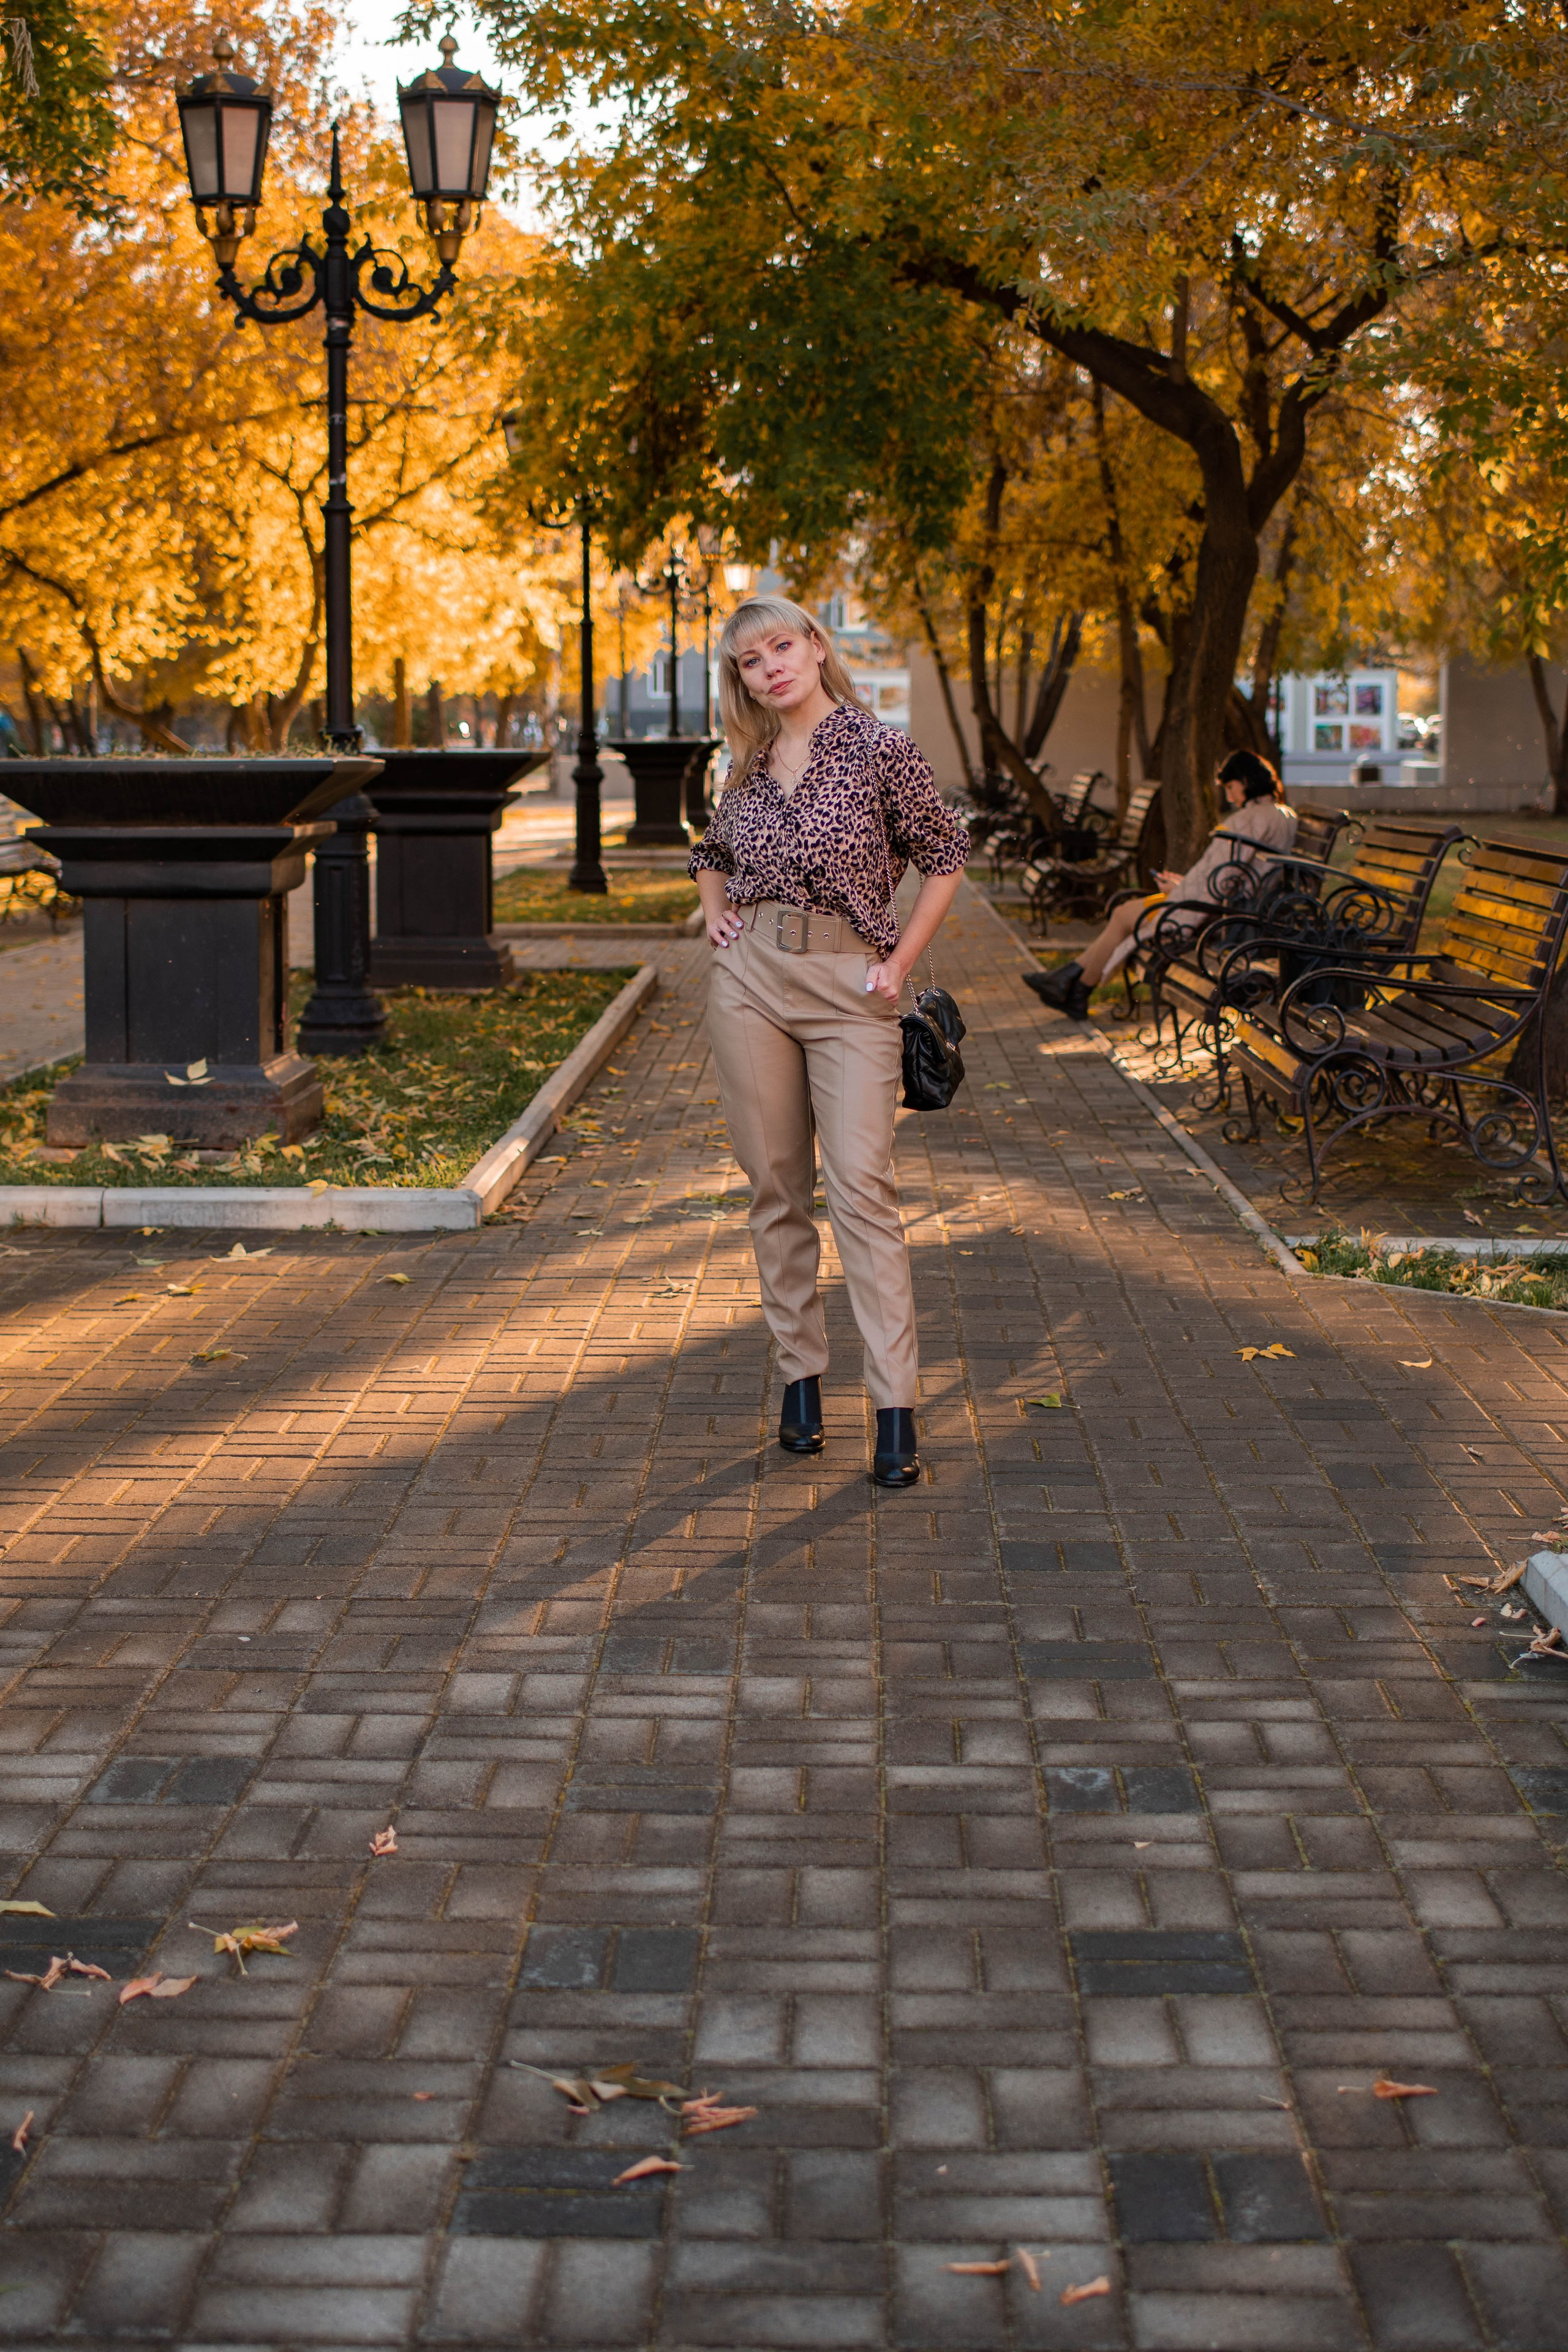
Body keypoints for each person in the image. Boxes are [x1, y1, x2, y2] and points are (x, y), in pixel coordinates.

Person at [690, 595, 970, 1487]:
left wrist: (901, 963)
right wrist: (714, 918)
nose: (770, 666)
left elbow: (946, 853)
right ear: (741, 679)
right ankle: (800, 1382)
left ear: (815, 647)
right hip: (752, 984)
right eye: (749, 659)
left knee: (862, 1192)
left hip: (853, 987)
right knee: (776, 1188)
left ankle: (894, 1406)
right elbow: (711, 853)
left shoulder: (880, 748)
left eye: (781, 646)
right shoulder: (747, 763)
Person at [1025, 749, 1297, 1020]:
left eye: (1231, 786)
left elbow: (1222, 879)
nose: (1229, 795)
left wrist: (1180, 890)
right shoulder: (1276, 815)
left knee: (1123, 915)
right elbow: (1224, 875)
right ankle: (1070, 984)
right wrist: (1182, 885)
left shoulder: (1251, 819)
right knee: (1125, 912)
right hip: (1217, 903)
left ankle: (1074, 986)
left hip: (1214, 912)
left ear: (1246, 781)